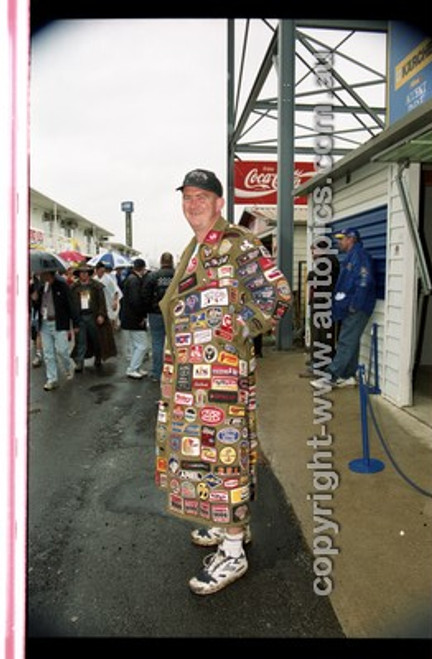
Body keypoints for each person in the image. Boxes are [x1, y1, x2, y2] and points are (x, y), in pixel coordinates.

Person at [155, 168, 292, 595]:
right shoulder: (196, 247)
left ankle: (233, 551)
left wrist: (231, 332)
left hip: (220, 379)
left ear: (219, 203)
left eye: (201, 197)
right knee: (209, 460)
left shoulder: (239, 244)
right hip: (191, 379)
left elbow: (277, 296)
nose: (192, 204)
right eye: (187, 197)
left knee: (225, 458)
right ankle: (224, 524)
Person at [310, 227, 376, 389]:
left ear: (351, 239)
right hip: (350, 306)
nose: (339, 242)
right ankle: (348, 375)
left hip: (357, 307)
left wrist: (355, 304)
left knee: (346, 341)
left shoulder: (359, 257)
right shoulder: (352, 256)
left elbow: (364, 281)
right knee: (351, 341)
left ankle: (331, 377)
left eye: (342, 239)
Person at [30, 268, 79, 390]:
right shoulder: (41, 287)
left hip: (59, 322)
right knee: (48, 354)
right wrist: (34, 299)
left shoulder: (62, 286)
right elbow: (37, 306)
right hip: (45, 324)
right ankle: (52, 379)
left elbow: (70, 304)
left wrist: (76, 324)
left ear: (48, 273)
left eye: (42, 273)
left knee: (62, 350)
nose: (40, 275)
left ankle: (68, 367)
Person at [299, 238, 340, 377]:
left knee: (320, 335)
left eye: (314, 251)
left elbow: (313, 278)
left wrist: (311, 275)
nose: (312, 254)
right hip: (322, 303)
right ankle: (318, 363)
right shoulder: (326, 261)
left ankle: (319, 367)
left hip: (323, 305)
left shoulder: (326, 262)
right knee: (321, 335)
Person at [69, 262, 117, 372]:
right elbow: (71, 305)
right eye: (82, 272)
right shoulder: (74, 288)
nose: (84, 274)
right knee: (81, 341)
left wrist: (101, 315)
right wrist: (73, 321)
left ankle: (98, 357)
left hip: (93, 317)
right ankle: (80, 362)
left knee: (97, 339)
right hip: (80, 317)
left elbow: (102, 302)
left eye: (86, 272)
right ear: (79, 274)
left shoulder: (96, 286)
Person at [141, 252, 175, 382]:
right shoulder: (178, 275)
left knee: (157, 342)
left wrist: (149, 309)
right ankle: (174, 373)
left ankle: (157, 373)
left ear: (161, 262)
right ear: (171, 262)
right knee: (175, 343)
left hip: (156, 313)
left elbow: (145, 295)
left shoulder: (153, 276)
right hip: (174, 313)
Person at [120, 258, 149, 379]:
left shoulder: (130, 279)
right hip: (134, 318)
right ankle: (132, 368)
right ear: (142, 268)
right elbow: (136, 301)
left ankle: (136, 367)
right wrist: (142, 316)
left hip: (128, 317)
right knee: (143, 345)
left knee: (135, 345)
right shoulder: (135, 281)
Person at [94, 261, 123, 331]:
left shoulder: (109, 279)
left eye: (103, 271)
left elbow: (116, 291)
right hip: (100, 302)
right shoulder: (94, 279)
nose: (102, 273)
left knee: (110, 319)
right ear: (96, 270)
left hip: (109, 301)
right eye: (101, 271)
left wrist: (115, 301)